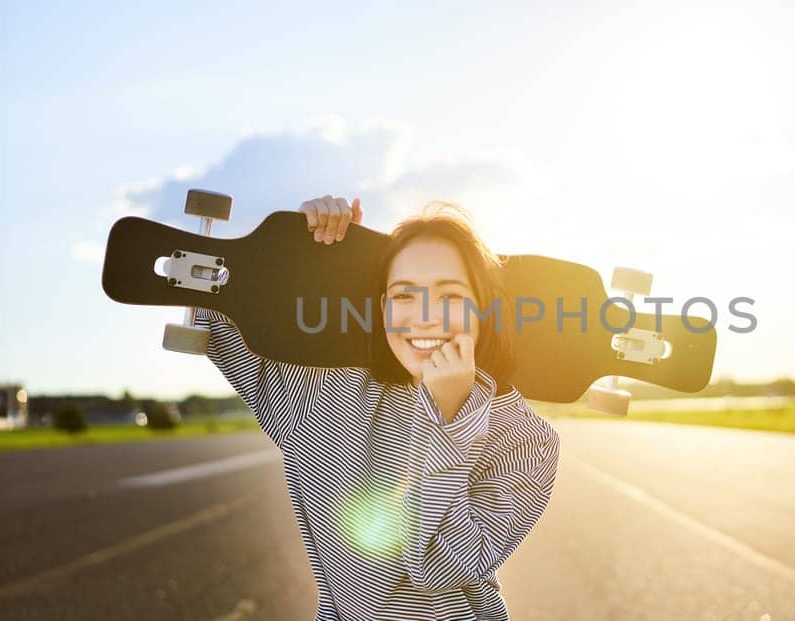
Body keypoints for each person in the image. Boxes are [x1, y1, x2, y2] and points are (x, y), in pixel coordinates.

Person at [195, 195, 560, 620]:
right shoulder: (323, 393)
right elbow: (213, 311)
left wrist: (449, 419)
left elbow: (436, 567)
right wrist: (299, 253)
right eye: (405, 296)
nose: (425, 317)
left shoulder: (528, 440)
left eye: (451, 296)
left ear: (483, 308)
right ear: (385, 309)